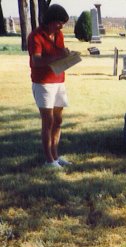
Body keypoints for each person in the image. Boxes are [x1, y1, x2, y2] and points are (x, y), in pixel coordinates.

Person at [28, 4, 72, 169]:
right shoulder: (36, 36)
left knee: (58, 120)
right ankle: (49, 160)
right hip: (43, 83)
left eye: (63, 23)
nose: (61, 26)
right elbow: (36, 61)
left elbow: (58, 56)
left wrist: (68, 56)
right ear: (50, 20)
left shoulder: (58, 35)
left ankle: (55, 155)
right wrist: (58, 55)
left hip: (59, 80)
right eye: (59, 22)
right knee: (48, 121)